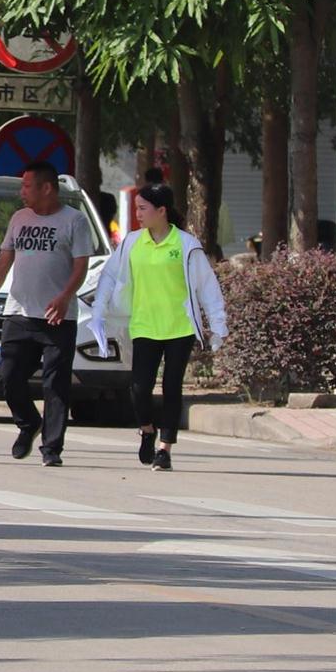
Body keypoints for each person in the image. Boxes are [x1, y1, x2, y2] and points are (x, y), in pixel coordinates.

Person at [90, 182, 226, 471]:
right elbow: (110, 277)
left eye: (143, 208)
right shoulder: (131, 242)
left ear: (161, 211)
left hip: (179, 328)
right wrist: (99, 311)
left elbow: (207, 287)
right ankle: (147, 429)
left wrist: (217, 326)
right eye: (137, 208)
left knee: (172, 386)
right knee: (139, 389)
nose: (137, 213)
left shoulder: (186, 245)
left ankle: (165, 449)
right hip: (144, 326)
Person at [0, 159, 96, 467]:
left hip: (58, 317)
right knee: (9, 377)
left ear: (47, 188)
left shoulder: (74, 221)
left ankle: (51, 449)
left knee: (55, 384)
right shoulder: (19, 219)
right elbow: (3, 263)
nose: (22, 192)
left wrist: (66, 297)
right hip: (19, 313)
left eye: (27, 186)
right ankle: (28, 422)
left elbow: (81, 265)